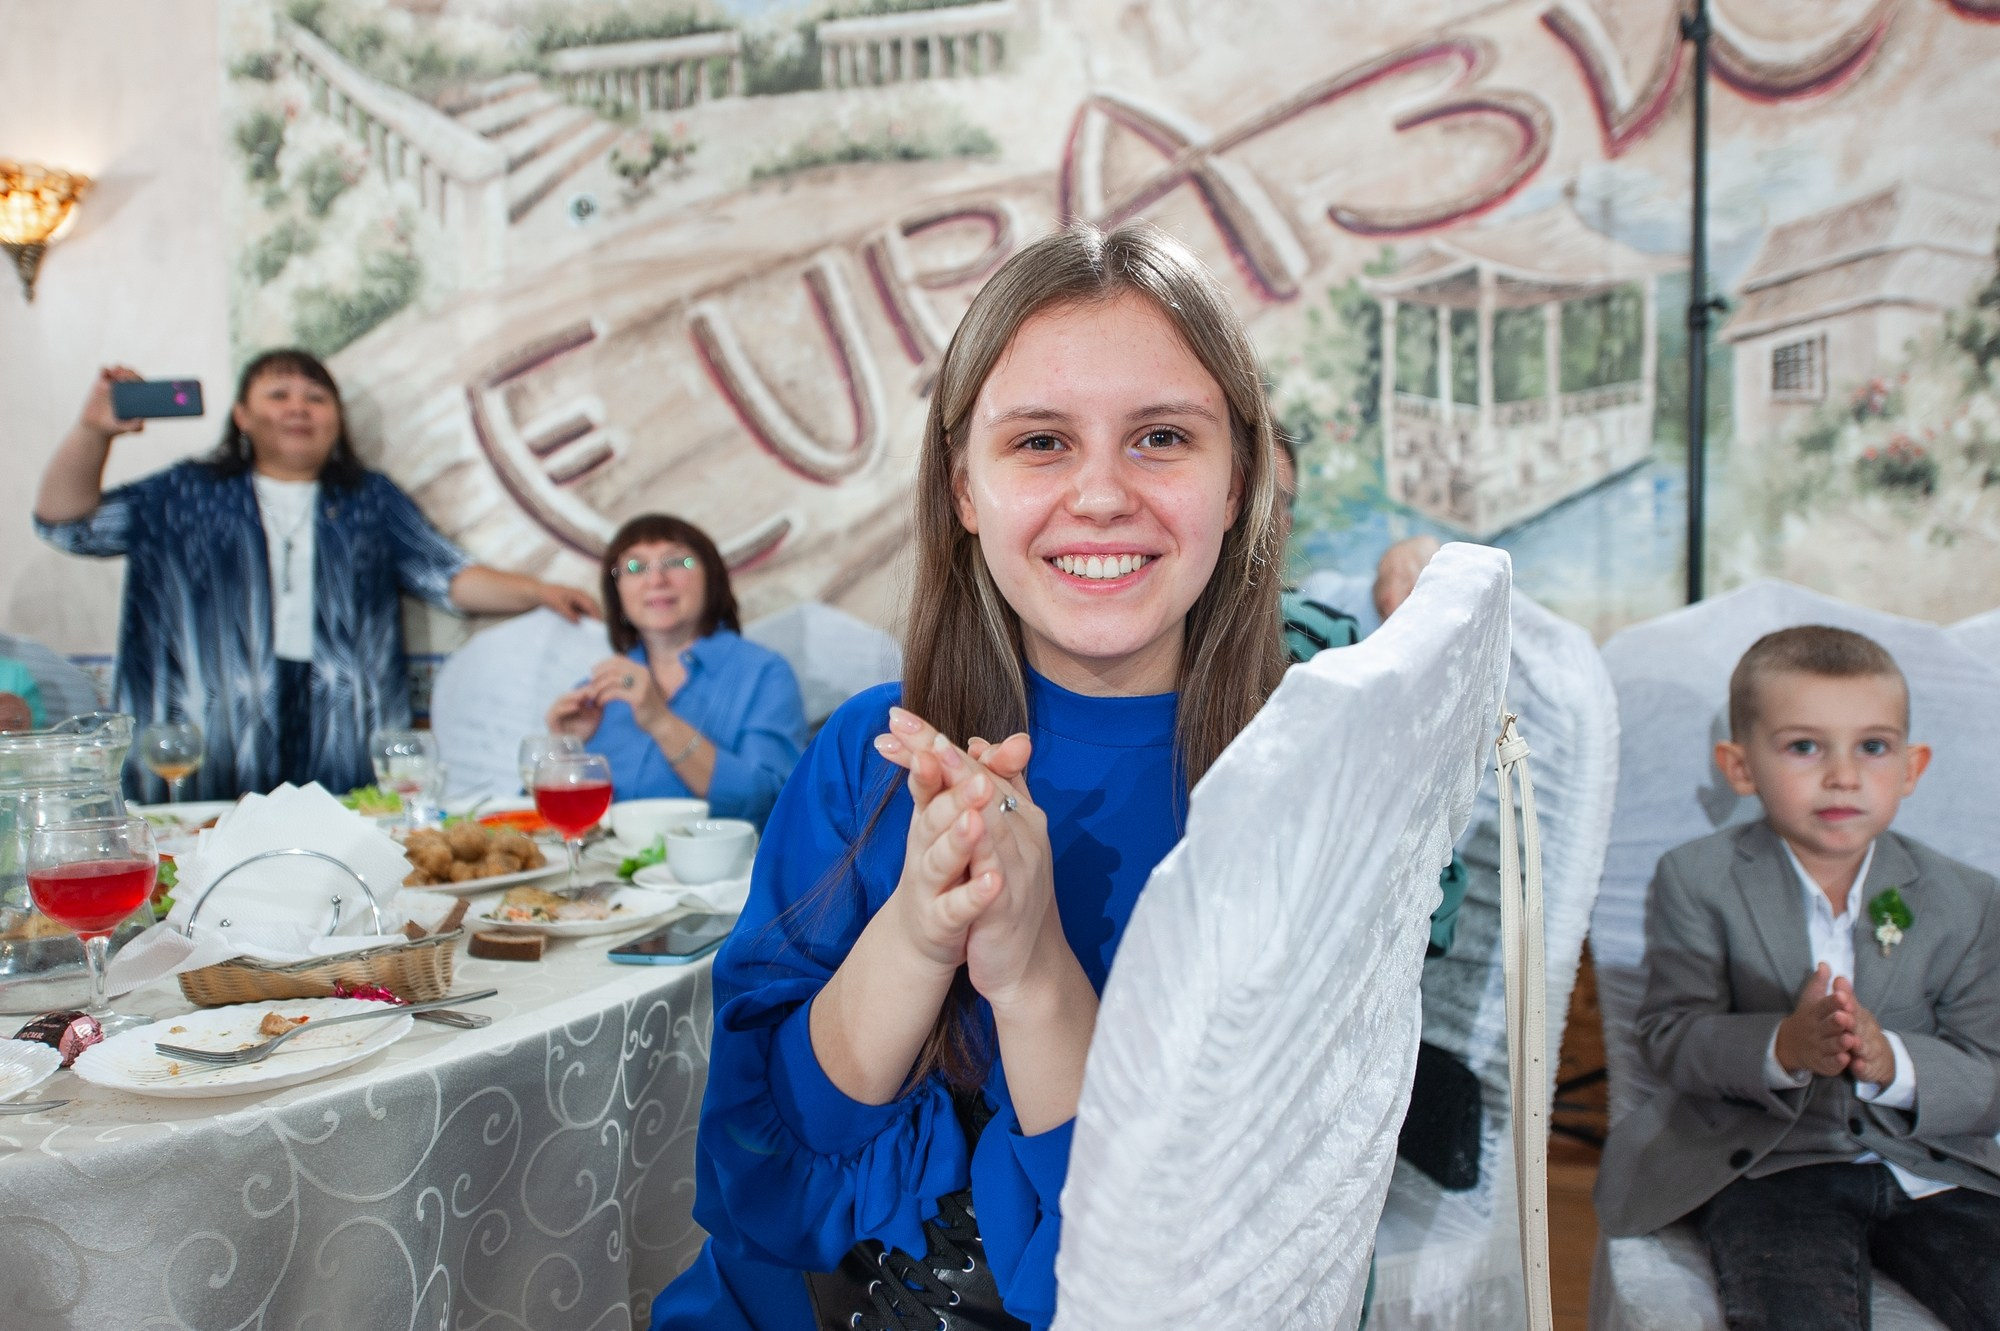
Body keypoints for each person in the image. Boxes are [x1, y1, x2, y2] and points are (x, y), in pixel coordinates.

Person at [651, 222, 1288, 1330]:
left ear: (1238, 479)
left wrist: (1032, 970)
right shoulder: (870, 749)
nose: (1098, 496)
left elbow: (1178, 1275)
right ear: (962, 487)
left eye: (1160, 437)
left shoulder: (1296, 794)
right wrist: (915, 926)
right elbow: (771, 1168)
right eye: (1040, 441)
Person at [1595, 626, 2000, 1329]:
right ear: (1741, 765)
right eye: (1804, 746)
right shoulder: (1699, 879)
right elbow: (1670, 1037)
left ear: (1912, 766)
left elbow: (1988, 1075)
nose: (1843, 774)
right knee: (1795, 1311)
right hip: (1769, 1167)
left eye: (1872, 746)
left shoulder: (1966, 897)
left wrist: (1891, 1060)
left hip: (1929, 1168)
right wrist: (1782, 1044)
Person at [34, 352, 599, 799]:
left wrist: (540, 591)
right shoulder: (184, 493)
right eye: (278, 394)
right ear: (243, 415)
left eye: (316, 397)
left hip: (342, 729)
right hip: (205, 736)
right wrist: (95, 432)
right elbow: (66, 523)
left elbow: (447, 578)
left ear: (336, 419)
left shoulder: (368, 500)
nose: (298, 407)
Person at [545, 514, 807, 829]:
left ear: (712, 578)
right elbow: (551, 829)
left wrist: (660, 721)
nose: (655, 580)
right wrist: (566, 749)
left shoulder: (765, 674)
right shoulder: (598, 690)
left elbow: (771, 805)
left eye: (677, 563)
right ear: (617, 593)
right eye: (634, 567)